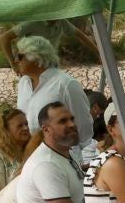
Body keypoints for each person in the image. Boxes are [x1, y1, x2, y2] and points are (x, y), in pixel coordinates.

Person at [13, 101, 83, 203]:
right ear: (46, 129)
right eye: (63, 121)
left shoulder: (65, 153)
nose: (71, 124)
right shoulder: (46, 164)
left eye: (72, 119)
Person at [12, 36, 92, 164]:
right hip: (29, 156)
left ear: (37, 58)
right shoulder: (23, 83)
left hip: (61, 157)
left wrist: (81, 161)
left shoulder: (65, 84)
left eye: (20, 56)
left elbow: (84, 126)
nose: (16, 60)